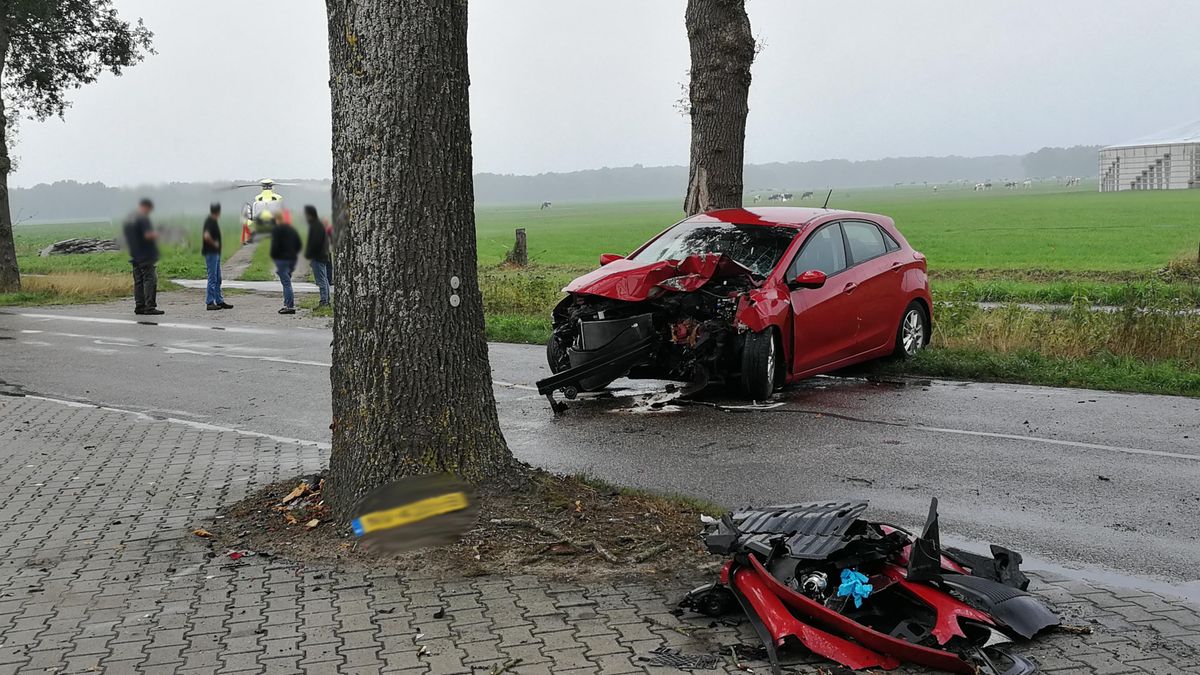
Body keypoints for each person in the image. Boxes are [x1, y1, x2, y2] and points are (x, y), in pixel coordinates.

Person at [122, 198, 162, 315]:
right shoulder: (143, 218)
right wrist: (157, 233)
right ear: (146, 207)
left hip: (135, 254)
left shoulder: (130, 219)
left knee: (138, 282)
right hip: (145, 255)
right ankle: (150, 307)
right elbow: (147, 235)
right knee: (150, 280)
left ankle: (139, 306)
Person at [269, 210, 302, 314]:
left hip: (281, 259)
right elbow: (299, 244)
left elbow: (274, 246)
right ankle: (286, 304)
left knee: (286, 283)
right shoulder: (291, 229)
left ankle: (289, 306)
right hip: (292, 259)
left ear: (276, 219)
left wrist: (274, 256)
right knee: (287, 282)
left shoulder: (277, 230)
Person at [202, 203, 233, 311]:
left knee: (218, 278)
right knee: (212, 278)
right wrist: (214, 243)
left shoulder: (213, 221)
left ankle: (219, 300)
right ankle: (210, 302)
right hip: (211, 253)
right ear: (218, 212)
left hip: (216, 253)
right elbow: (206, 236)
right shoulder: (210, 221)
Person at [303, 205, 332, 307]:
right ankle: (327, 300)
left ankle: (324, 301)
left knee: (321, 281)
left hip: (318, 257)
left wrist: (308, 254)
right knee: (324, 279)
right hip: (323, 256)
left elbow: (314, 243)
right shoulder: (319, 225)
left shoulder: (315, 226)